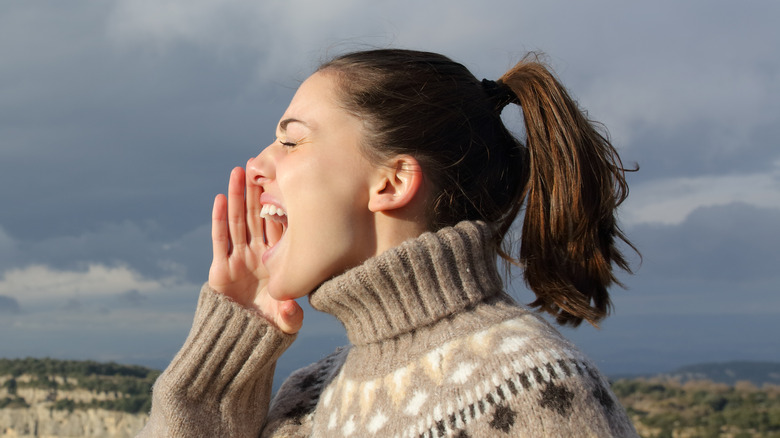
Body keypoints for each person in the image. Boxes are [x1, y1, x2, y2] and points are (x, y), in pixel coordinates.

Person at [138, 49, 639, 437]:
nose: (257, 166)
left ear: (393, 182)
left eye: (291, 140)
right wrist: (222, 363)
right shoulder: (306, 399)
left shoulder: (537, 391)